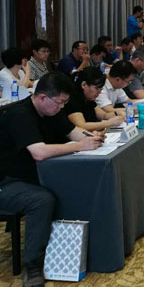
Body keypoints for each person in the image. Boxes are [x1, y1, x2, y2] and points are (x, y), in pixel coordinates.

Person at [0, 72, 103, 286]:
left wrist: (93, 139)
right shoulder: (19, 115)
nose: (62, 107)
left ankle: (84, 246)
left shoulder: (52, 111)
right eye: (60, 103)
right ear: (42, 97)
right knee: (41, 200)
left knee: (72, 184)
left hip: (30, 175)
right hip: (6, 182)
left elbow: (74, 133)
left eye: (64, 103)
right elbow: (39, 152)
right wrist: (79, 146)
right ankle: (33, 265)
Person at [64, 67, 124, 132]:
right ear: (84, 85)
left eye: (101, 89)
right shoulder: (72, 100)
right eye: (97, 88)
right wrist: (108, 123)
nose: (99, 92)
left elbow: (104, 115)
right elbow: (82, 126)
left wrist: (118, 113)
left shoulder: (89, 99)